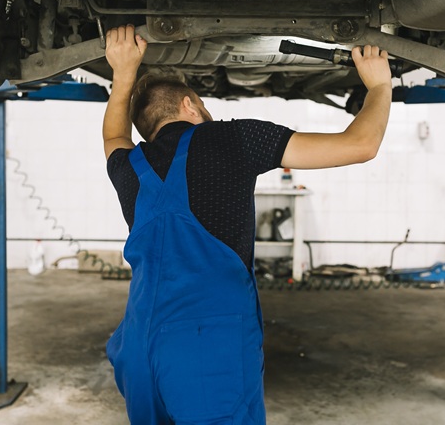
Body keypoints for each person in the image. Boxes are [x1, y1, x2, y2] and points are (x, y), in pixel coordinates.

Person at [102, 24, 392, 424]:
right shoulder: (232, 138)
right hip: (205, 350)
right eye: (204, 107)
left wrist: (122, 74)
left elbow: (113, 134)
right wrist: (379, 87)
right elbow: (361, 144)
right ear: (190, 105)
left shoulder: (129, 168)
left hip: (136, 349)